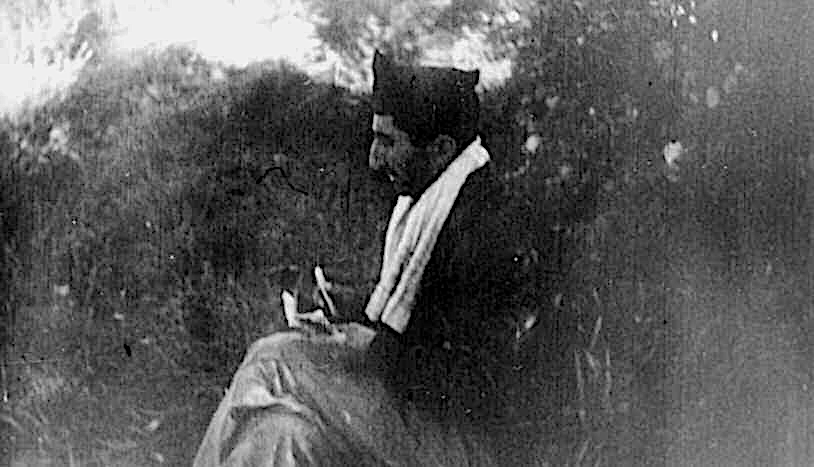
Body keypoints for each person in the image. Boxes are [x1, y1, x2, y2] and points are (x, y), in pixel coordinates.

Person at [193, 50, 538, 467]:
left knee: (272, 362)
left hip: (460, 443)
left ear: (442, 149)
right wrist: (355, 306)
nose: (375, 159)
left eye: (388, 142)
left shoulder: (481, 228)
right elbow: (426, 320)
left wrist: (371, 346)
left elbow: (474, 384)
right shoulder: (441, 199)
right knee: (281, 432)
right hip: (417, 416)